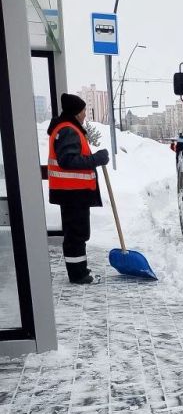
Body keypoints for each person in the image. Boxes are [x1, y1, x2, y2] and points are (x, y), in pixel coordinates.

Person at [47, 93, 109, 284]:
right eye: (83, 111)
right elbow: (68, 160)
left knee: (77, 233)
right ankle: (78, 275)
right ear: (75, 112)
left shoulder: (68, 128)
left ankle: (80, 269)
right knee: (76, 235)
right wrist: (96, 159)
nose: (84, 115)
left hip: (72, 192)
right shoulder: (67, 130)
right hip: (72, 193)